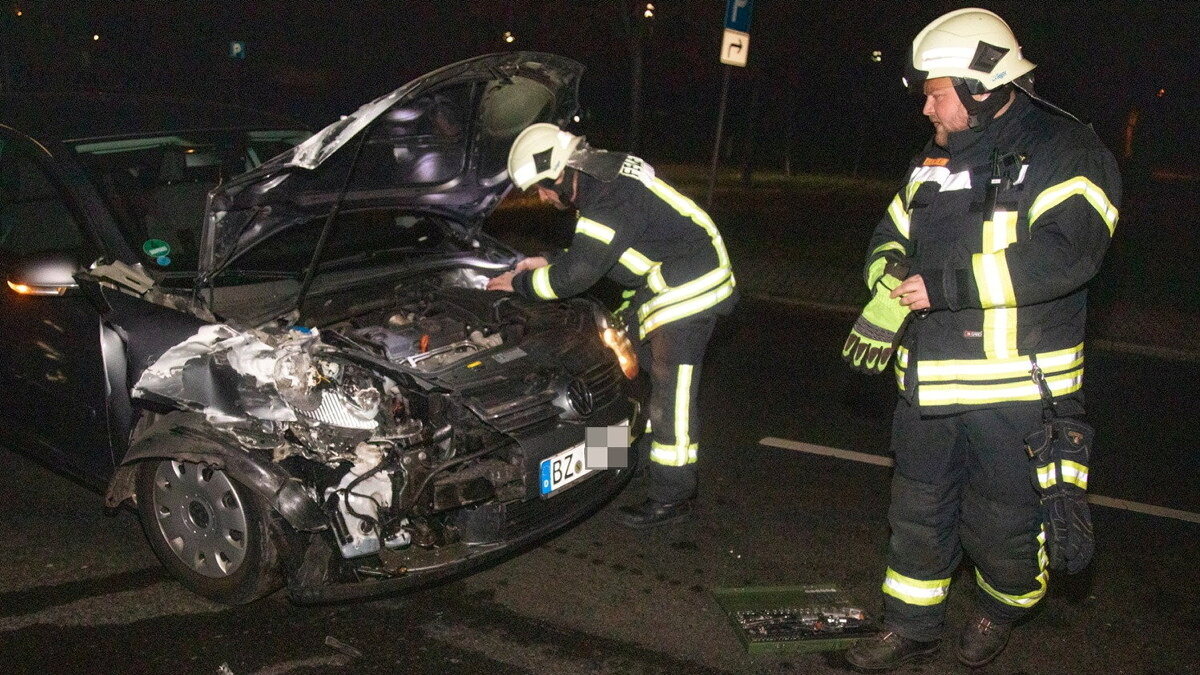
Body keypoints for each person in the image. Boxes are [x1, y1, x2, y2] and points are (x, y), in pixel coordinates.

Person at [841, 8, 1121, 671]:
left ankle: (1001, 607)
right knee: (915, 516)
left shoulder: (1067, 152)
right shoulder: (931, 163)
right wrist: (887, 278)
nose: (927, 109)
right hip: (929, 388)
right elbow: (890, 234)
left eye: (936, 93)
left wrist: (945, 285)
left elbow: (1069, 254)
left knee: (1004, 529)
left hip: (1016, 396)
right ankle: (911, 626)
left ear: (982, 88)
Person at [487, 123, 737, 529]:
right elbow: (598, 248)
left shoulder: (608, 197)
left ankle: (673, 495)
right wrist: (548, 258)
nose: (543, 198)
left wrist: (519, 284)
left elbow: (577, 277)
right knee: (616, 368)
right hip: (664, 279)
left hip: (693, 288)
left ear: (561, 174)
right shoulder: (601, 180)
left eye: (542, 188)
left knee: (670, 396)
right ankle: (614, 457)